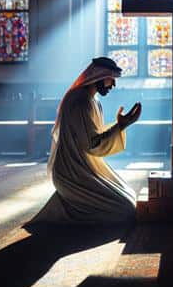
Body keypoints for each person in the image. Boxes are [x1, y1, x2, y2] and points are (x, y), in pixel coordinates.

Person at [28, 56, 142, 224]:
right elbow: (93, 145)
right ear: (100, 77)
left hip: (82, 167)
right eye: (111, 79)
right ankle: (70, 204)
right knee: (126, 209)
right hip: (71, 173)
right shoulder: (82, 101)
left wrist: (120, 125)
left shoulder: (91, 100)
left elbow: (93, 136)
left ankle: (72, 203)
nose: (114, 85)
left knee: (129, 197)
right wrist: (121, 126)